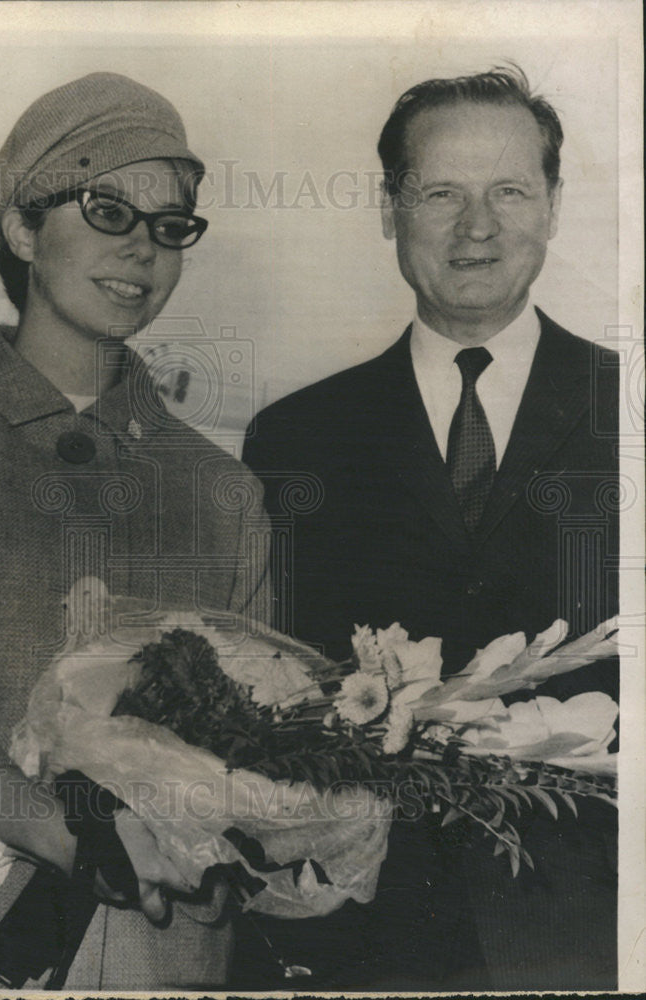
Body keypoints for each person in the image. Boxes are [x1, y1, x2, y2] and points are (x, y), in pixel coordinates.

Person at [240, 65, 617, 990]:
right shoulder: (296, 437)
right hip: (357, 930)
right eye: (441, 192)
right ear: (388, 208)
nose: (476, 227)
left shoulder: (634, 411)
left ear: (556, 204)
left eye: (510, 192)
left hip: (596, 928)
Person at [0, 72, 270, 989]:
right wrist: (64, 834)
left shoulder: (221, 490)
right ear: (24, 229)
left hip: (168, 950)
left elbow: (262, 730)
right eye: (108, 208)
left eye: (170, 225)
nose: (142, 249)